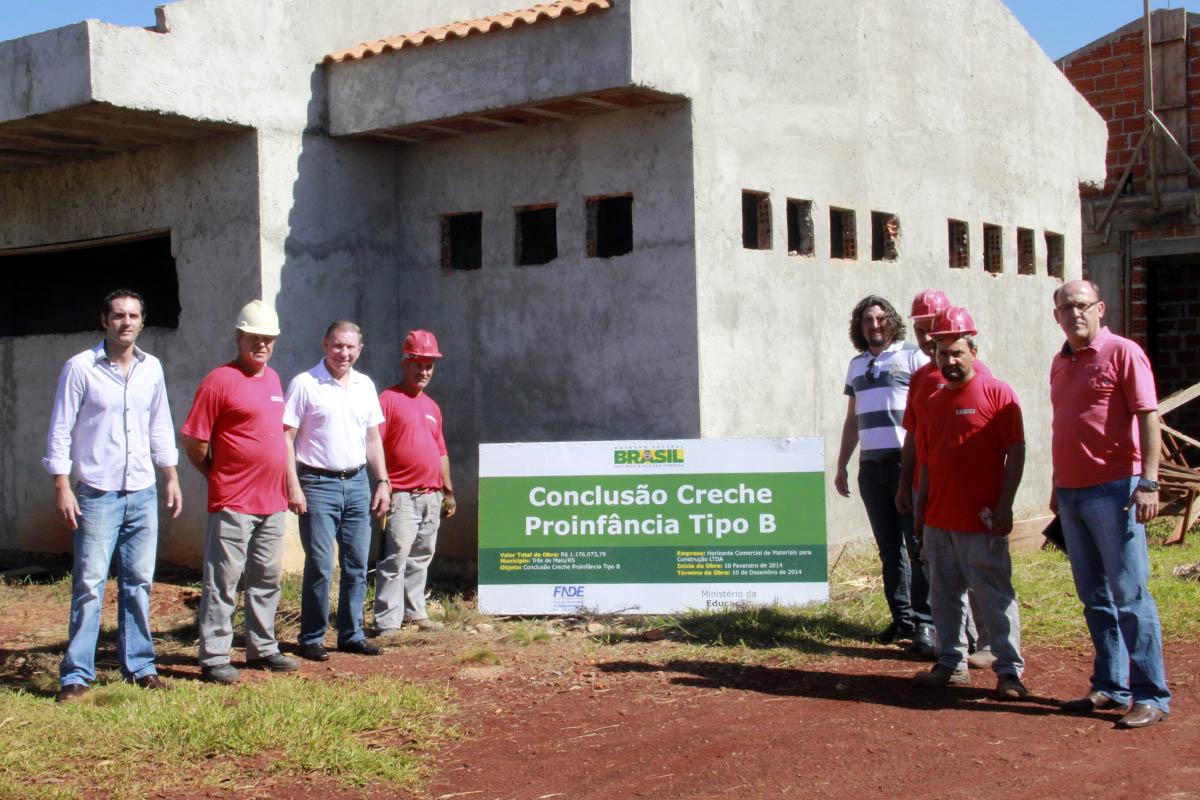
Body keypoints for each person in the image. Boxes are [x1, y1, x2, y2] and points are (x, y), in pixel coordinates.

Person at [44, 289, 182, 702]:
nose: (126, 322)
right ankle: (76, 675)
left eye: (133, 315)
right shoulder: (80, 369)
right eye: (118, 315)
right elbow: (60, 430)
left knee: (138, 583)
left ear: (142, 322)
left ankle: (139, 666)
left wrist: (170, 477)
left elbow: (160, 425)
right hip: (96, 493)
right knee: (89, 584)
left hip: (142, 491)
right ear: (104, 320)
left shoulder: (151, 368)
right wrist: (62, 486)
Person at [1050, 279, 1171, 728]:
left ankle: (1151, 696)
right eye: (1067, 307)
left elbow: (1148, 416)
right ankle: (1110, 684)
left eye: (1083, 306)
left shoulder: (1123, 352)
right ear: (1056, 315)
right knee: (1094, 596)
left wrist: (1150, 482)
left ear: (1100, 308)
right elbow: (1066, 423)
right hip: (1072, 491)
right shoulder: (1060, 363)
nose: (1075, 313)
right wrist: (1056, 484)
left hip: (1116, 490)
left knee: (1130, 594)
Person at [181, 300, 298, 683]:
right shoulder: (219, 380)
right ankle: (215, 656)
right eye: (254, 338)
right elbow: (195, 440)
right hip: (233, 500)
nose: (261, 345)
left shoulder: (275, 380)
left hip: (272, 500)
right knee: (223, 580)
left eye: (268, 339)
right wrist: (216, 474)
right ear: (239, 337)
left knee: (266, 578)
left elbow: (279, 438)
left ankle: (262, 648)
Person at [913, 306, 1026, 699]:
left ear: (973, 352)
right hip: (939, 522)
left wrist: (1006, 505)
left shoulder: (998, 393)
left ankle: (1009, 671)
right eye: (943, 353)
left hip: (981, 521)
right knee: (943, 599)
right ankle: (950, 663)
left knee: (994, 596)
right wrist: (921, 512)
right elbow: (926, 462)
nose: (950, 360)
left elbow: (1016, 452)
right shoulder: (932, 400)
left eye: (957, 352)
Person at [896, 289, 993, 668]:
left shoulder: (980, 376)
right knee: (940, 571)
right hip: (929, 487)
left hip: (970, 490)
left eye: (931, 331)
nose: (924, 339)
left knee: (980, 569)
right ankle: (956, 645)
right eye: (920, 330)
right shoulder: (920, 379)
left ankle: (990, 644)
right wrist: (906, 484)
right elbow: (913, 438)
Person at [284, 321, 391, 660]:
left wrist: (383, 482)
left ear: (360, 348)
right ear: (325, 344)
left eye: (350, 347)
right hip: (317, 484)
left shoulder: (365, 385)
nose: (343, 353)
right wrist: (293, 485)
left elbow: (372, 439)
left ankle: (351, 633)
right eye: (337, 346)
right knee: (319, 564)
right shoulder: (305, 384)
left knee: (357, 563)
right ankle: (312, 636)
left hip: (358, 483)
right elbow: (286, 437)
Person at [835, 295, 933, 646]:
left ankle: (926, 623)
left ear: (891, 321)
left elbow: (928, 410)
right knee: (889, 550)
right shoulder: (856, 365)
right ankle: (902, 619)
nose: (875, 325)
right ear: (859, 327)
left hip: (905, 466)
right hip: (871, 469)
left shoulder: (913, 356)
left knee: (917, 545)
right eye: (867, 320)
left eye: (880, 319)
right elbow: (852, 419)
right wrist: (843, 464)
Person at [374, 330, 456, 635]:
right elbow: (374, 445)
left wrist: (448, 493)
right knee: (394, 558)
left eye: (429, 366)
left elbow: (441, 453)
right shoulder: (388, 400)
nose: (424, 372)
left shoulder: (432, 407)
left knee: (421, 557)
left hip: (431, 496)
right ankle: (386, 621)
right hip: (402, 496)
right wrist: (384, 484)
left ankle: (414, 611)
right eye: (419, 364)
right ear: (405, 363)